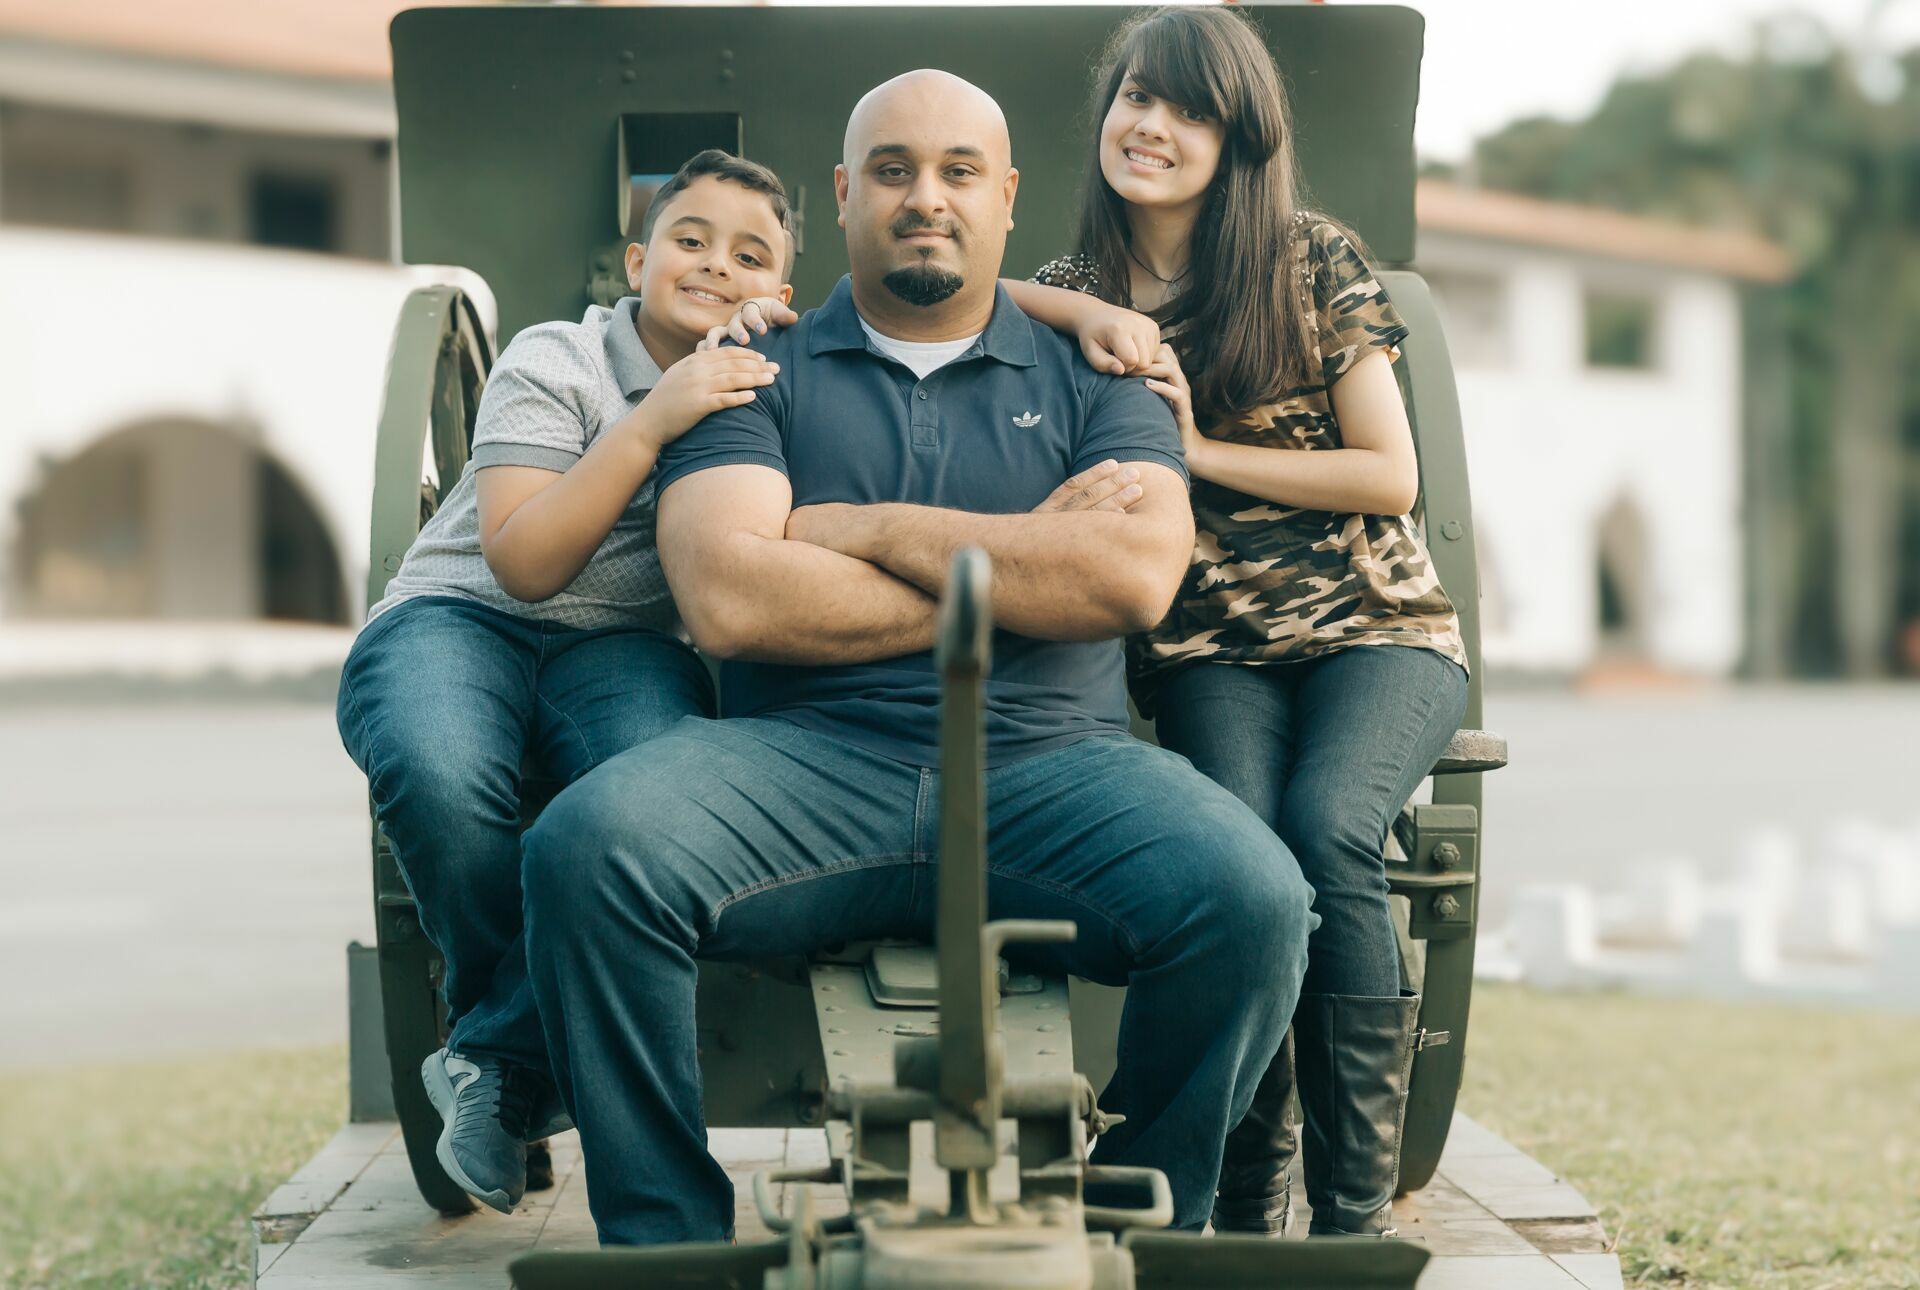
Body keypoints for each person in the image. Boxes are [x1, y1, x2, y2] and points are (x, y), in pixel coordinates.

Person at [519, 69, 1317, 1246]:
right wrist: (1032, 559)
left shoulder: (1105, 373)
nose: (924, 198)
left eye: (956, 173)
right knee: (586, 851)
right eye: (892, 170)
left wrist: (862, 530)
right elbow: (733, 596)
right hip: (800, 765)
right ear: (846, 196)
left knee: (1255, 899)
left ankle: (1139, 1231)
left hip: (1052, 768)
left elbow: (1132, 578)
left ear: (1006, 198)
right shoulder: (752, 365)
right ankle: (665, 1241)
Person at [1017, 5, 1471, 1239]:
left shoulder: (1312, 258)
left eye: (1187, 110)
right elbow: (986, 297)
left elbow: (1391, 478)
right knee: (1249, 871)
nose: (1150, 127)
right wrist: (1079, 316)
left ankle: (1352, 1215)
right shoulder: (1076, 285)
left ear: (1238, 140)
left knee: (1326, 832)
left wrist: (1200, 449)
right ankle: (1241, 1197)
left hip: (1374, 629)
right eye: (1134, 99)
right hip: (1213, 648)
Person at [334, 149, 795, 1214]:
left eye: (751, 255)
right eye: (690, 240)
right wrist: (654, 417)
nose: (717, 266)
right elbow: (526, 560)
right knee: (440, 772)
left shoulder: (771, 383)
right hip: (464, 617)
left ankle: (492, 1062)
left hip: (624, 648)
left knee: (663, 815)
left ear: (781, 295)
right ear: (635, 262)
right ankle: (513, 1060)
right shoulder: (558, 358)